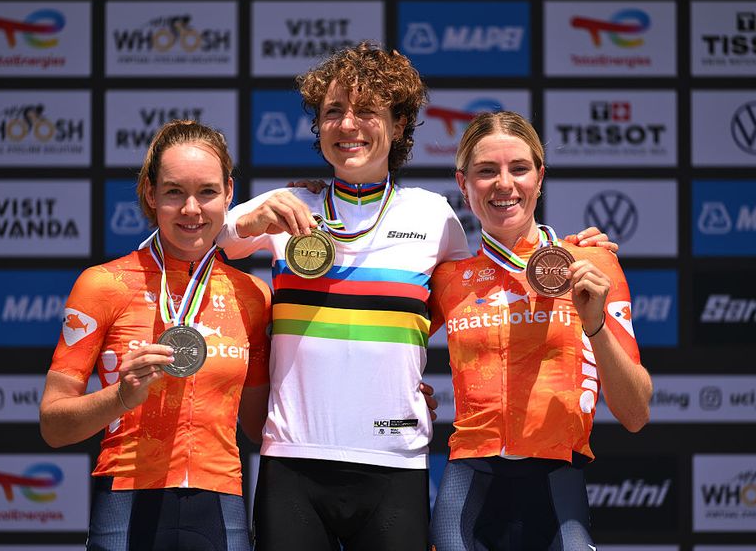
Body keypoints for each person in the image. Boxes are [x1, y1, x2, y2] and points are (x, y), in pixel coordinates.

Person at [207, 42, 615, 551]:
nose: (347, 124)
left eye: (367, 111)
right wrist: (242, 220)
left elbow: (475, 293)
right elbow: (198, 236)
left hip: (394, 460)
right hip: (293, 458)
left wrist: (567, 248)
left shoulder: (434, 217)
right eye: (333, 111)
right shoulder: (286, 206)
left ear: (399, 125)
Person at [39, 120, 271, 551]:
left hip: (221, 499)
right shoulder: (104, 284)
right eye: (173, 192)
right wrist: (121, 397)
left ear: (229, 194)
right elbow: (54, 426)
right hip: (126, 497)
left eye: (206, 192)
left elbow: (262, 427)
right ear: (150, 194)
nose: (191, 209)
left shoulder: (252, 295)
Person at [427, 111, 653, 550]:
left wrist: (596, 326)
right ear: (463, 184)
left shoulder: (592, 264)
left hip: (556, 489)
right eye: (486, 171)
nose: (504, 184)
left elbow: (636, 413)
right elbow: (381, 334)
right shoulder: (448, 277)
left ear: (540, 176)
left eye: (519, 168)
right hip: (466, 491)